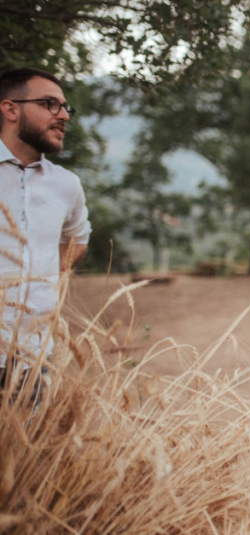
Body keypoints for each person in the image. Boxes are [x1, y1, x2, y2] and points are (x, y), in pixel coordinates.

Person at [0, 67, 90, 400]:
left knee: (27, 451)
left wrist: (44, 279)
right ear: (11, 109)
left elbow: (78, 238)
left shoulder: (66, 184)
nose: (64, 115)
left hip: (33, 356)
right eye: (50, 104)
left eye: (66, 107)